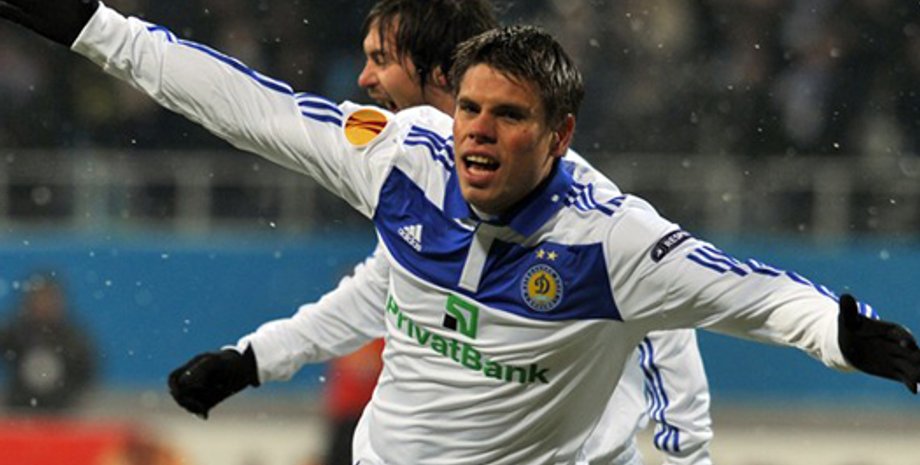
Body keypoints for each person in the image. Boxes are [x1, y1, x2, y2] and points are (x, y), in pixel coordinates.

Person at [2, 2, 919, 464]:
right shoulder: (401, 156)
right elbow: (245, 103)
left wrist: (847, 336)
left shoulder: (613, 243)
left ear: (558, 134)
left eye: (506, 115)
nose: (475, 131)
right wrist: (94, 26)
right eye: (470, 110)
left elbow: (756, 297)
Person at [0, 272, 97, 413]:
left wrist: (73, 400)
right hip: (19, 413)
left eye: (48, 298)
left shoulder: (73, 339)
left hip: (62, 414)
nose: (43, 305)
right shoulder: (14, 333)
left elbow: (87, 373)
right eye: (38, 298)